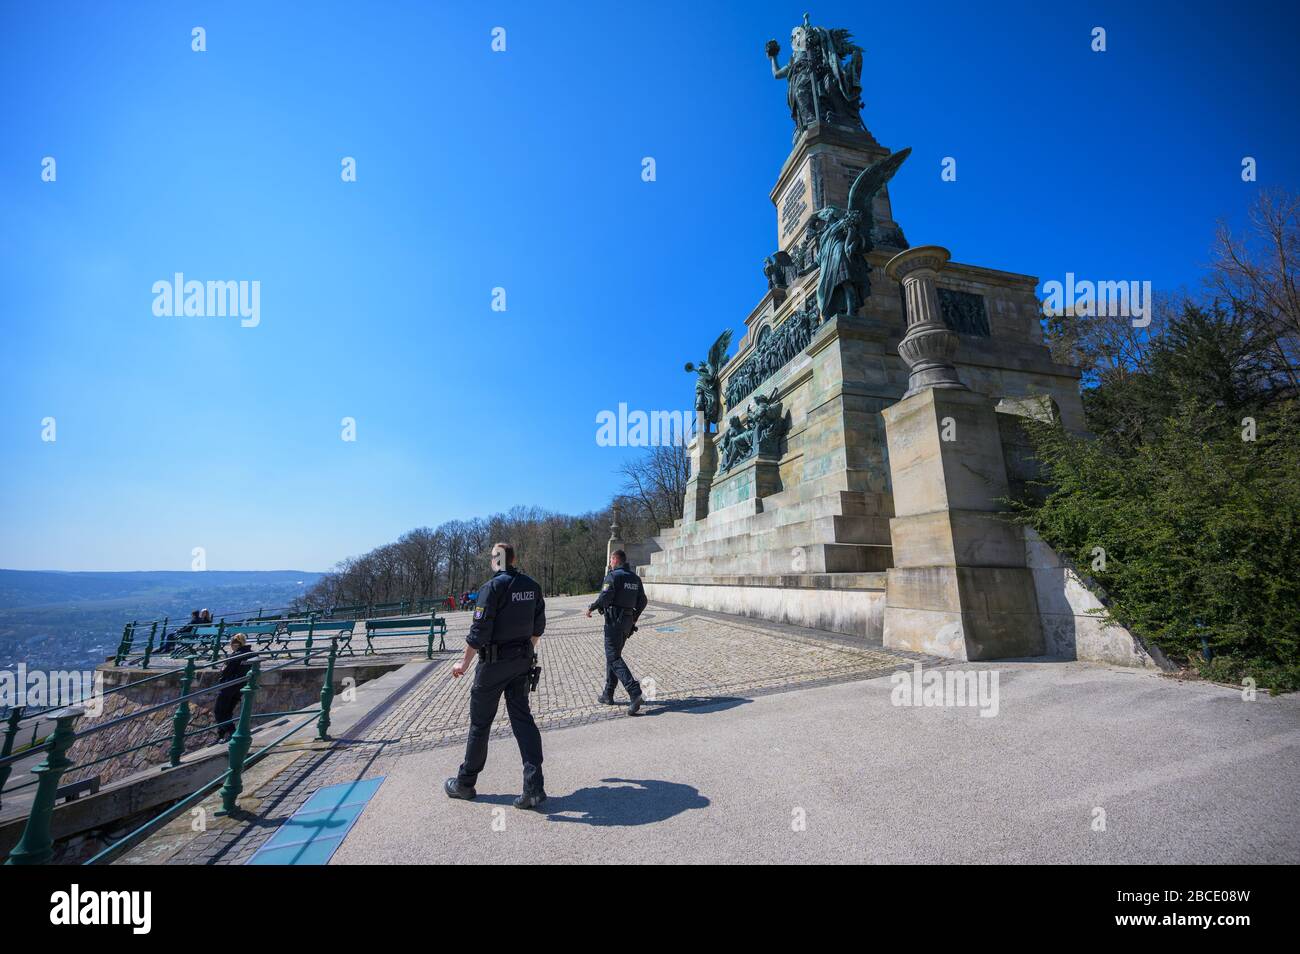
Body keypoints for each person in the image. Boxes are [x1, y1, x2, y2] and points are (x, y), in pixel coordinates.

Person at [444, 543, 548, 809]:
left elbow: (478, 633)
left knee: (480, 725)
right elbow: (538, 627)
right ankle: (534, 787)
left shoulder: (491, 588)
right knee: (523, 721)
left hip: (493, 666)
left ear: (497, 560)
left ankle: (465, 784)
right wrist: (525, 652)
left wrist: (463, 664)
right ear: (514, 559)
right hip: (521, 662)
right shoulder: (531, 586)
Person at [586, 549, 647, 715]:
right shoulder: (635, 578)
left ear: (615, 560)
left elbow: (605, 597)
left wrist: (592, 607)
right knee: (613, 656)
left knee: (613, 657)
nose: (610, 563)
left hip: (614, 621)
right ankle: (608, 693)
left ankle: (634, 692)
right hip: (627, 622)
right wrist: (634, 617)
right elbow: (643, 600)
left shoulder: (613, 576)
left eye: (611, 560)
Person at [213, 634, 255, 742]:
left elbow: (224, 671)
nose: (231, 646)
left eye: (232, 644)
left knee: (219, 711)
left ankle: (232, 732)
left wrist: (223, 666)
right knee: (227, 711)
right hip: (241, 686)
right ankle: (221, 735)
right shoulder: (251, 654)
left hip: (228, 686)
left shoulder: (236, 655)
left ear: (236, 644)